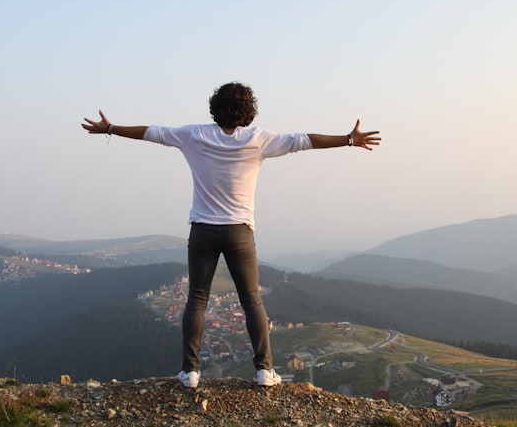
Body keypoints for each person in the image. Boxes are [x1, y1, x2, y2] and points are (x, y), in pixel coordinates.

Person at [81, 82, 381, 389]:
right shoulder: (259, 139)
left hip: (202, 231)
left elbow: (152, 132)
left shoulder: (193, 135)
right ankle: (264, 371)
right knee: (251, 300)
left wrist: (111, 129)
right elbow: (303, 140)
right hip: (239, 232)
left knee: (197, 298)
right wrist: (348, 140)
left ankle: (190, 372)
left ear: (215, 107)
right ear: (248, 111)